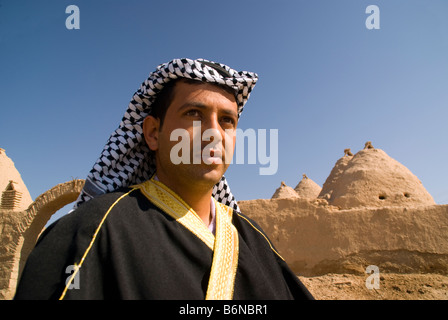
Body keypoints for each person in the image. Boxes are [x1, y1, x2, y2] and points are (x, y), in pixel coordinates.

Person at [14, 58, 313, 300]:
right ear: (153, 133)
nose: (214, 133)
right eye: (194, 113)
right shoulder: (92, 232)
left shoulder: (253, 239)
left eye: (227, 121)